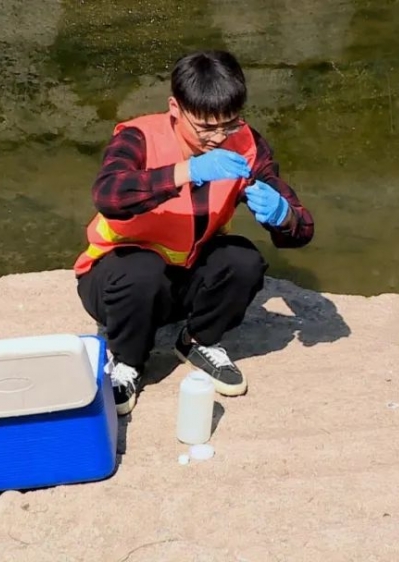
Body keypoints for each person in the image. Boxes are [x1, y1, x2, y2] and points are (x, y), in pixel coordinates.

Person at [73, 49, 315, 416]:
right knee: (142, 271)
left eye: (229, 124)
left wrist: (284, 216)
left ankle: (197, 340)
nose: (219, 137)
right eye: (206, 127)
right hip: (116, 280)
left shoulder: (247, 145)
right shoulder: (140, 137)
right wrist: (185, 171)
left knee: (244, 260)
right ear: (175, 107)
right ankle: (128, 363)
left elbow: (301, 230)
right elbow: (108, 194)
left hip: (184, 278)